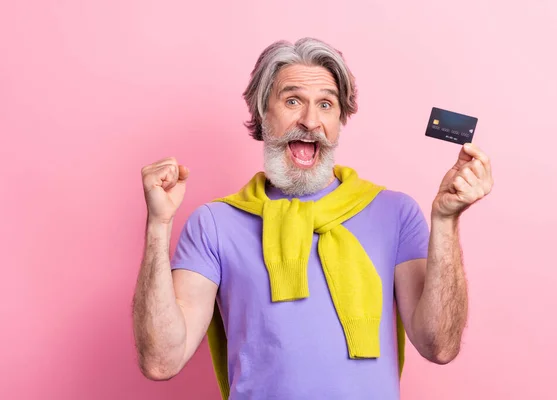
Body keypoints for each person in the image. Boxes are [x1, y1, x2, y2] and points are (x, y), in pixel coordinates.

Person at [132, 37, 493, 400]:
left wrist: (446, 222)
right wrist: (158, 226)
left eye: (326, 104)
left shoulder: (395, 213)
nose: (310, 121)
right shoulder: (214, 223)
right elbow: (162, 361)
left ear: (339, 120)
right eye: (292, 101)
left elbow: (440, 346)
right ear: (262, 113)